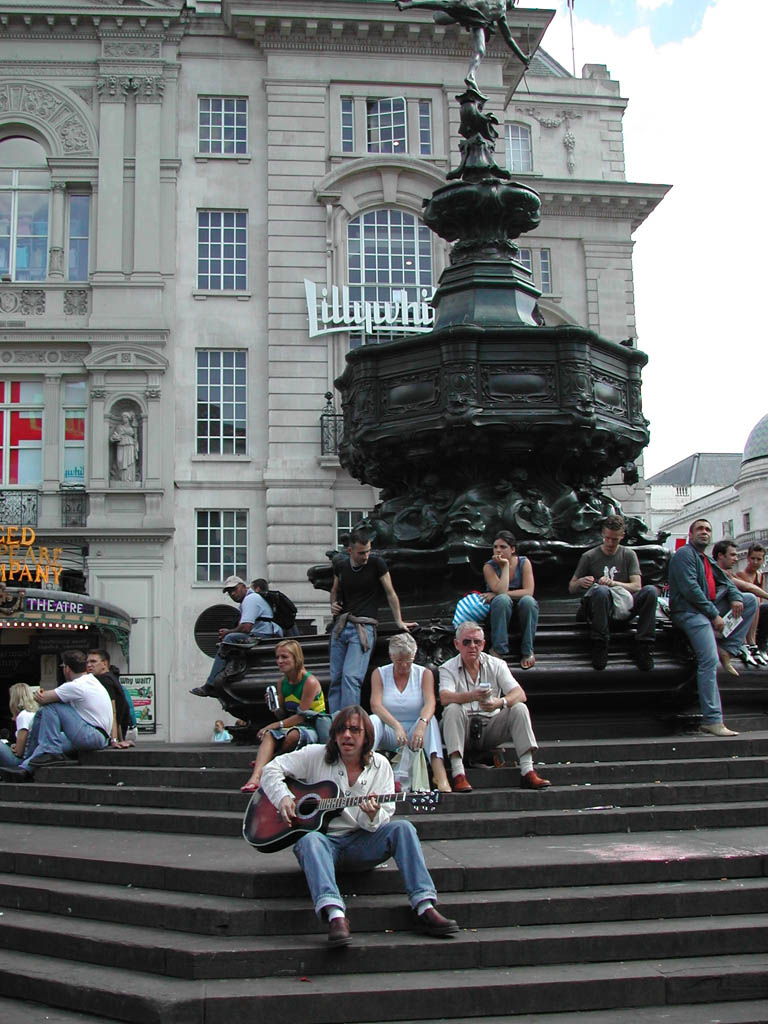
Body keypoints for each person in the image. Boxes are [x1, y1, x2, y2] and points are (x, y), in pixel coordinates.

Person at [260, 705, 459, 947]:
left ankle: (425, 906)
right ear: (333, 734)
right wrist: (283, 797)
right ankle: (335, 915)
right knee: (309, 840)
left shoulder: (382, 766)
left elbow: (379, 821)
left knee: (403, 829)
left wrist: (372, 815)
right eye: (341, 729)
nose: (347, 735)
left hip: (363, 844)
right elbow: (271, 769)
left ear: (367, 737)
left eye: (355, 730)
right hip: (324, 845)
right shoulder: (315, 755)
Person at [668, 519, 758, 737]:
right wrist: (714, 615)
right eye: (700, 529)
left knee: (749, 600)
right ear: (691, 534)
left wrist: (736, 599)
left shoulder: (706, 559)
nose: (705, 533)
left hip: (706, 609)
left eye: (708, 529)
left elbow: (728, 583)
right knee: (709, 660)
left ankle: (729, 646)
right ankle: (713, 719)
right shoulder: (684, 555)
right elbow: (690, 589)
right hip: (689, 612)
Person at [438, 620, 550, 793]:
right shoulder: (447, 668)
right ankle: (458, 774)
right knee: (452, 709)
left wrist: (500, 702)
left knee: (519, 708)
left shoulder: (497, 665)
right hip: (463, 728)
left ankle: (528, 770)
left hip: (491, 726)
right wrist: (471, 696)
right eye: (467, 642)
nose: (472, 646)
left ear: (483, 644)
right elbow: (444, 697)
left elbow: (520, 694)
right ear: (457, 644)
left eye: (477, 642)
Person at [328, 529, 416, 714]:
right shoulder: (341, 566)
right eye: (361, 553)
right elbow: (334, 590)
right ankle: (336, 723)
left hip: (363, 627)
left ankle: (350, 724)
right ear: (350, 551)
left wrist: (398, 621)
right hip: (341, 627)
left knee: (351, 677)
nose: (366, 556)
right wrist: (333, 605)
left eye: (368, 551)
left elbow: (390, 593)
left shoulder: (377, 564)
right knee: (336, 678)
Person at [0, 650, 113, 782]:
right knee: (44, 726)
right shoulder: (90, 681)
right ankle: (26, 766)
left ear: (67, 668)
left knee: (51, 707)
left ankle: (49, 751)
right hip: (98, 736)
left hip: (91, 735)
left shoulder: (76, 686)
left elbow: (43, 698)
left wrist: (37, 693)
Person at [568, 514, 658, 671]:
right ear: (603, 533)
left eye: (614, 539)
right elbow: (571, 587)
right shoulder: (589, 556)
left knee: (650, 591)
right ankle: (600, 643)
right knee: (601, 591)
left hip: (624, 603)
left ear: (622, 536)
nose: (610, 543)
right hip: (600, 607)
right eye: (607, 538)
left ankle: (643, 645)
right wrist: (581, 583)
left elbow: (637, 586)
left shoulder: (629, 555)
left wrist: (614, 583)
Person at [240, 639, 330, 793]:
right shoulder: (282, 682)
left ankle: (267, 761)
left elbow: (302, 716)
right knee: (270, 735)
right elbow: (282, 715)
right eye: (277, 657)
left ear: (296, 658)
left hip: (312, 725)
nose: (279, 661)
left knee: (291, 735)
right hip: (292, 725)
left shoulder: (310, 681)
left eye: (284, 657)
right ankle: (255, 778)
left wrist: (274, 725)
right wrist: (274, 707)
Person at [369, 633, 451, 794]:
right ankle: (365, 767)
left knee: (430, 720)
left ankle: (439, 773)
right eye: (400, 661)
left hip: (415, 732)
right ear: (391, 656)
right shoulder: (379, 674)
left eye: (409, 660)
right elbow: (376, 705)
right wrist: (395, 725)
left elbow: (430, 702)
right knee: (373, 720)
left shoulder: (423, 674)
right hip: (390, 731)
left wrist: (422, 722)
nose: (405, 666)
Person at [394, 0, 530, 87]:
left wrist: (523, 58)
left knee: (480, 50)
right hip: (473, 10)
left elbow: (509, 39)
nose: (514, 4)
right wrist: (523, 58)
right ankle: (408, 4)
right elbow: (509, 39)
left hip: (478, 20)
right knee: (445, 6)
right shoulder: (500, 8)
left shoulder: (502, 14)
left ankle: (471, 76)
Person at [191, 575, 283, 697]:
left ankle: (211, 684)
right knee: (230, 638)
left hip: (264, 636)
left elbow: (246, 627)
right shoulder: (250, 600)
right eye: (229, 592)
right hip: (262, 635)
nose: (232, 594)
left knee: (229, 639)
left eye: (234, 589)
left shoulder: (250, 599)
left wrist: (228, 633)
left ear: (244, 587)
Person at [482, 530, 538, 669]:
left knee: (528, 601)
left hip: (521, 606)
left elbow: (528, 591)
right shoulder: (489, 566)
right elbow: (501, 592)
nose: (498, 550)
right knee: (502, 600)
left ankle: (527, 650)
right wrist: (505, 566)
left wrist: (499, 593)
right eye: (495, 547)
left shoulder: (524, 563)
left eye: (503, 547)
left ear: (513, 549)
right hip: (500, 609)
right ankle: (498, 649)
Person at [712, 540, 768, 667]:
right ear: (721, 555)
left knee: (756, 602)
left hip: (719, 611)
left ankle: (756, 644)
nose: (736, 559)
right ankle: (745, 643)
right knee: (751, 600)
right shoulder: (723, 572)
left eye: (759, 559)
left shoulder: (758, 575)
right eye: (732, 555)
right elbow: (748, 588)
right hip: (714, 613)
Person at [86, 649, 134, 746]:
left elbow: (113, 710)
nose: (89, 665)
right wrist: (120, 739)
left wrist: (114, 740)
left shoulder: (105, 680)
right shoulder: (112, 677)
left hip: (107, 734)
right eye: (87, 662)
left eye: (93, 661)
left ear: (104, 663)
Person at [736, 543, 768, 662]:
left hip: (757, 611)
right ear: (748, 558)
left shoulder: (760, 576)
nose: (755, 562)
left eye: (759, 559)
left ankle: (762, 644)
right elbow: (750, 592)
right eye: (753, 558)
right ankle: (750, 643)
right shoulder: (741, 575)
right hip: (745, 612)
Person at [0, 683, 37, 770]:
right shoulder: (32, 713)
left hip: (21, 762)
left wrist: (15, 748)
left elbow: (19, 752)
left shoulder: (23, 716)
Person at [110, 411, 139, 482]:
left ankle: (129, 478)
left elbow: (135, 436)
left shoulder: (132, 427)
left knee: (129, 461)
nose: (124, 419)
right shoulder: (119, 427)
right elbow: (114, 435)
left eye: (125, 417)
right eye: (123, 417)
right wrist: (114, 438)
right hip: (121, 444)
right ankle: (120, 477)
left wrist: (135, 442)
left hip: (130, 444)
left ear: (128, 418)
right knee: (120, 460)